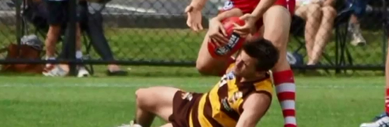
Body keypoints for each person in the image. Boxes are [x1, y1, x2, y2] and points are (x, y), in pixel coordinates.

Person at [117, 37, 279, 127]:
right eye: (239, 57)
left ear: (259, 71)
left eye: (244, 64)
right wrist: (215, 24)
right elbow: (202, 63)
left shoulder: (257, 97)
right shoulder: (240, 64)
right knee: (142, 96)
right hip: (195, 104)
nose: (237, 63)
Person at [29, 0, 127, 77]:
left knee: (90, 18)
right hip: (49, 9)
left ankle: (69, 62)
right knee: (76, 15)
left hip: (77, 10)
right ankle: (74, 63)